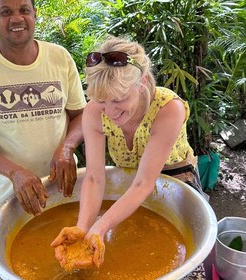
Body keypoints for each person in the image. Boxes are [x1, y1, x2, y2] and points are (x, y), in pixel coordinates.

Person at [51, 36, 208, 269]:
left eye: (119, 99)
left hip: (175, 178)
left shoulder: (168, 109)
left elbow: (144, 183)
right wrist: (83, 228)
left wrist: (101, 226)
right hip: (129, 178)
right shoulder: (95, 112)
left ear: (142, 81)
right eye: (102, 100)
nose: (111, 111)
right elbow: (94, 177)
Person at [0, 0, 86, 216]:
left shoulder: (60, 57)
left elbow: (81, 115)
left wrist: (67, 148)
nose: (17, 18)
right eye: (6, 12)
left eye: (24, 10)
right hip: (15, 192)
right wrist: (15, 172)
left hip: (65, 182)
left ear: (34, 14)